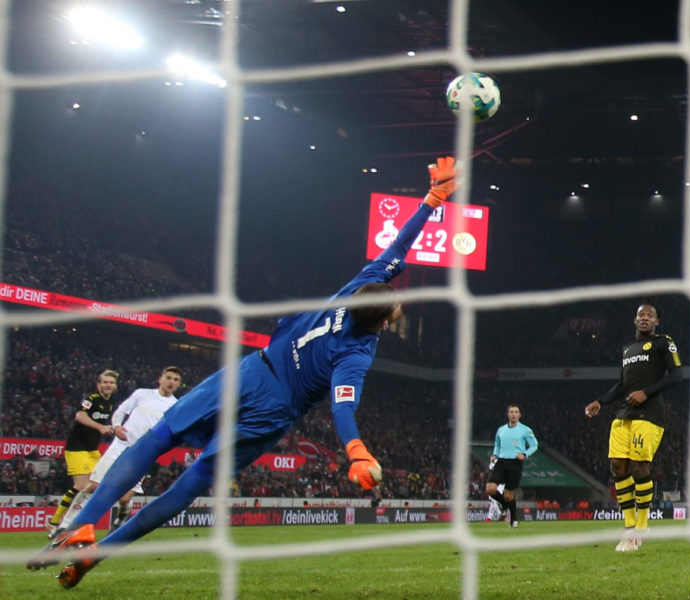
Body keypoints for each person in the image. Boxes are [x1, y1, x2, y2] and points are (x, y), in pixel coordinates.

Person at [33, 156, 460, 589]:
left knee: (158, 438)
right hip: (273, 407)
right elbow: (342, 404)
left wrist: (431, 200)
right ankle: (98, 552)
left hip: (252, 371)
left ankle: (83, 525)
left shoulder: (356, 289)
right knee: (191, 482)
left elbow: (397, 249)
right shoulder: (357, 352)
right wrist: (355, 449)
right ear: (383, 323)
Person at [584, 302, 683, 552]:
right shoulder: (628, 348)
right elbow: (622, 384)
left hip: (649, 414)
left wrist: (645, 393)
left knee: (640, 468)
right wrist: (600, 401)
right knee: (617, 467)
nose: (645, 318)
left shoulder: (663, 342)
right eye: (641, 315)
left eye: (650, 315)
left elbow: (677, 375)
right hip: (624, 414)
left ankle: (642, 525)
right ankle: (628, 528)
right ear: (635, 320)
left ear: (657, 322)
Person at [54, 367, 183, 534]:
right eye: (169, 378)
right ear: (161, 379)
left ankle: (120, 519)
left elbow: (172, 431)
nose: (171, 382)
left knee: (124, 498)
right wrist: (116, 427)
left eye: (175, 380)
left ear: (179, 384)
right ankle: (65, 525)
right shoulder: (142, 394)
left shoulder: (175, 406)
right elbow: (120, 412)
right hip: (120, 445)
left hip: (143, 454)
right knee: (92, 486)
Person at [46, 370, 119, 537]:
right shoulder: (91, 399)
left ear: (115, 386)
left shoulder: (111, 402)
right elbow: (80, 416)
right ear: (98, 385)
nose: (108, 385)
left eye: (111, 383)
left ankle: (75, 522)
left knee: (96, 486)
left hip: (92, 449)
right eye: (105, 382)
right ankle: (54, 523)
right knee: (81, 486)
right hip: (77, 447)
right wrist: (100, 427)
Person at [485, 404, 538, 528]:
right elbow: (497, 444)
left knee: (508, 494)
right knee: (490, 488)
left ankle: (513, 520)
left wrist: (525, 454)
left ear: (520, 415)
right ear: (508, 414)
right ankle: (503, 505)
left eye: (516, 412)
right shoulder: (501, 430)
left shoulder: (525, 430)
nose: (514, 414)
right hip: (501, 461)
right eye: (511, 412)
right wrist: (495, 454)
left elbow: (534, 445)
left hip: (515, 463)